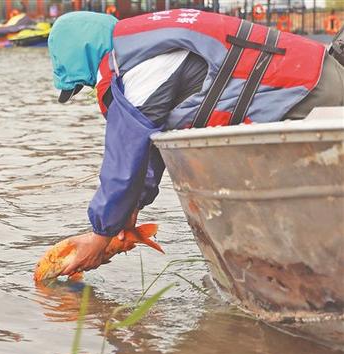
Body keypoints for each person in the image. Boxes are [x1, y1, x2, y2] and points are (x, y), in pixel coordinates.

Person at [47, 10, 344, 276]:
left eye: (83, 82)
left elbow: (124, 159)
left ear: (84, 56)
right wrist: (131, 208)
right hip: (316, 75)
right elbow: (147, 147)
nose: (90, 85)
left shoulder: (135, 67)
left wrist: (100, 236)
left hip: (305, 92)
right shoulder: (145, 41)